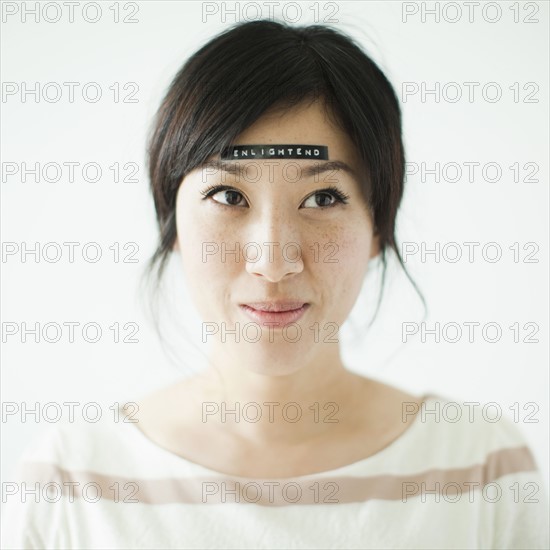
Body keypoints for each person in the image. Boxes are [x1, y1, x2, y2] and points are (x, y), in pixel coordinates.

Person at [2, 20, 548, 549]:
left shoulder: (481, 470)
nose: (273, 261)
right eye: (228, 196)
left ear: (378, 224)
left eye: (323, 198)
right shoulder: (72, 485)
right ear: (171, 221)